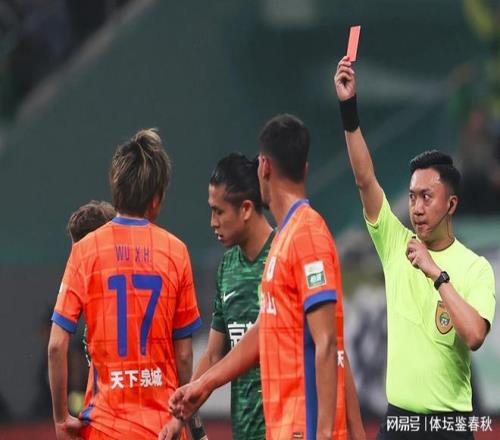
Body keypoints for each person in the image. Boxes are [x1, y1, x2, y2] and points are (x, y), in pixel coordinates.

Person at [169, 115, 365, 440]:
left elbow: (328, 343)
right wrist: (203, 384)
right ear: (305, 169)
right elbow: (263, 331)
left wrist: (325, 433)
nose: (213, 221)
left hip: (305, 430)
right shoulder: (285, 239)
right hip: (282, 428)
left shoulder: (308, 235)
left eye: (218, 211)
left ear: (264, 166)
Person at [334, 57, 496, 439]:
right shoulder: (395, 243)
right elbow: (365, 179)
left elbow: (475, 335)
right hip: (398, 422)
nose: (417, 207)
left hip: (448, 426)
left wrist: (437, 274)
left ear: (451, 205)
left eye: (427, 196)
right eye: (411, 197)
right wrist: (348, 110)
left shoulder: (475, 267)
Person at [48, 129, 202, 440]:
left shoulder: (85, 251)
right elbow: (185, 357)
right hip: (162, 428)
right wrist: (187, 421)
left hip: (104, 428)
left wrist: (62, 418)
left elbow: (55, 346)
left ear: (116, 187)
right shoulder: (176, 252)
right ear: (156, 199)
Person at [192, 153, 274, 440]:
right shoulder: (227, 266)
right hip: (242, 432)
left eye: (219, 212)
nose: (213, 222)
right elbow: (215, 354)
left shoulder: (284, 255)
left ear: (246, 209)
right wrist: (185, 404)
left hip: (287, 429)